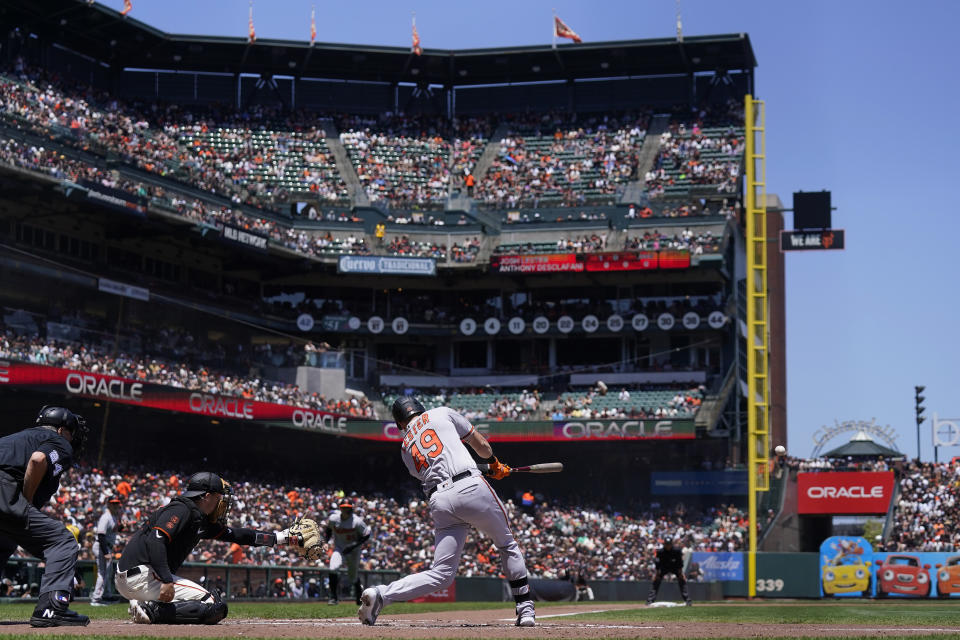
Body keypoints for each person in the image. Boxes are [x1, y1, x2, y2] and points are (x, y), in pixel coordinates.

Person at [358, 397, 536, 627]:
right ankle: (526, 610)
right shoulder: (441, 412)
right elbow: (481, 445)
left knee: (441, 574)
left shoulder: (405, 447)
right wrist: (493, 463)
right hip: (471, 487)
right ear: (420, 408)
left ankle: (382, 594)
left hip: (439, 500)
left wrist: (484, 469)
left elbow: (438, 466)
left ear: (400, 423)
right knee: (506, 544)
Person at [115, 471, 303, 624]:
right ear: (206, 496)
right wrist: (166, 580)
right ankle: (151, 610)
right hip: (143, 575)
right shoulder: (182, 509)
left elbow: (238, 535)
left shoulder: (198, 519)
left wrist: (282, 538)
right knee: (212, 604)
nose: (222, 503)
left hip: (135, 576)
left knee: (208, 604)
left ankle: (145, 605)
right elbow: (156, 540)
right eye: (218, 497)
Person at [0, 406, 90, 627]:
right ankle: (52, 608)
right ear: (61, 430)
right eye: (71, 432)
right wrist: (27, 500)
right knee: (62, 541)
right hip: (4, 494)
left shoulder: (12, 438)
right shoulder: (58, 441)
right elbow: (38, 459)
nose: (73, 438)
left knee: (3, 545)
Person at [323, 500, 371, 605]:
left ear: (351, 508)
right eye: (344, 507)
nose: (346, 509)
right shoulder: (334, 518)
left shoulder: (357, 521)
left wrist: (353, 545)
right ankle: (333, 598)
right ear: (340, 508)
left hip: (354, 550)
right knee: (333, 568)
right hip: (339, 548)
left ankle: (359, 596)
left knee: (353, 576)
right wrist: (326, 541)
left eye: (348, 507)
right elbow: (328, 530)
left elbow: (366, 534)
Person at [90, 497, 125, 606]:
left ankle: (106, 596)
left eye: (116, 503)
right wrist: (105, 552)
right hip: (101, 546)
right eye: (113, 503)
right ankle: (96, 599)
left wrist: (121, 527)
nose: (115, 506)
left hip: (106, 546)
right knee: (103, 573)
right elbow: (101, 535)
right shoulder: (106, 517)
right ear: (108, 505)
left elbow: (113, 530)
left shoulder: (113, 516)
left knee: (108, 573)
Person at [646, 538, 692, 606]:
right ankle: (650, 600)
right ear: (664, 544)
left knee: (682, 580)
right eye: (666, 544)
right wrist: (657, 573)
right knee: (656, 581)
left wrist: (680, 573)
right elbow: (657, 563)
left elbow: (680, 562)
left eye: (669, 544)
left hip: (675, 567)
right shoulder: (660, 552)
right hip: (664, 567)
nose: (668, 546)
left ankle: (688, 600)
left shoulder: (676, 551)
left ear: (671, 544)